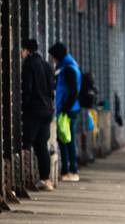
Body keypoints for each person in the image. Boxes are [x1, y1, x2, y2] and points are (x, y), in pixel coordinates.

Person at [20, 38, 56, 191]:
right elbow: (51, 88)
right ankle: (45, 179)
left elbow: (27, 89)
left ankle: (22, 179)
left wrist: (23, 106)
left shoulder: (28, 64)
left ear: (26, 50)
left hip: (33, 111)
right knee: (42, 146)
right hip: (47, 110)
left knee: (26, 144)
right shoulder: (47, 65)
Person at [48, 42, 81, 182]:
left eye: (53, 57)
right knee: (67, 139)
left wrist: (65, 109)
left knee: (66, 140)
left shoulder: (67, 69)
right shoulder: (71, 65)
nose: (53, 60)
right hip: (70, 109)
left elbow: (73, 91)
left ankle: (70, 170)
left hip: (67, 110)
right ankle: (70, 169)